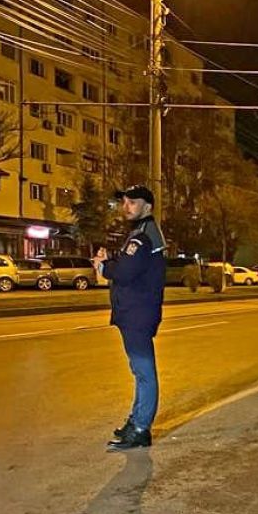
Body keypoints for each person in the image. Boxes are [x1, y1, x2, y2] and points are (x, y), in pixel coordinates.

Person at [92, 185, 166, 452]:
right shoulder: (140, 233)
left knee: (144, 372)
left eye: (132, 202)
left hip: (137, 314)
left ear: (147, 206)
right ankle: (136, 421)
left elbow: (124, 272)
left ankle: (141, 429)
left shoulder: (142, 238)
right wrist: (111, 263)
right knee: (140, 371)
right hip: (136, 312)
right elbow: (127, 265)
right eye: (124, 202)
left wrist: (103, 266)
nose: (126, 207)